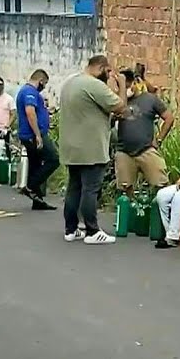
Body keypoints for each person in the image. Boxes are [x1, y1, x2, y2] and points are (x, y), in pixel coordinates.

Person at [58, 55, 127, 244]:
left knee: (74, 188)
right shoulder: (93, 85)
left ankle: (71, 229)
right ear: (101, 68)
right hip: (91, 147)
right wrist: (121, 84)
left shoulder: (70, 83)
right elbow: (120, 106)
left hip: (71, 146)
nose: (108, 75)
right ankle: (92, 231)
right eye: (108, 72)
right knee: (90, 189)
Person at [115, 68, 174, 197]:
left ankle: (159, 214)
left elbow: (169, 118)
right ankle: (131, 215)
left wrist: (159, 139)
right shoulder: (118, 102)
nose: (126, 90)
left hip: (146, 149)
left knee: (162, 186)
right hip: (124, 152)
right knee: (125, 191)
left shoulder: (150, 100)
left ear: (136, 82)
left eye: (128, 86)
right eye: (122, 87)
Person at [16, 70, 58, 211]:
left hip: (31, 134)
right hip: (33, 135)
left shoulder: (26, 91)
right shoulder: (30, 92)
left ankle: (37, 200)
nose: (44, 87)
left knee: (36, 164)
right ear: (40, 80)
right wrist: (38, 134)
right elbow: (30, 112)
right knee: (53, 159)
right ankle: (30, 186)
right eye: (44, 83)